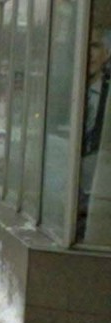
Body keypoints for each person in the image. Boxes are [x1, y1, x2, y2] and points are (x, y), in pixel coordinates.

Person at [79, 27, 111, 241]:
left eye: (95, 46)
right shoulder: (65, 90)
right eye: (85, 45)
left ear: (106, 54)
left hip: (98, 182)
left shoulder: (107, 93)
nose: (89, 53)